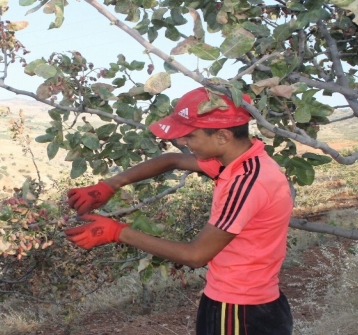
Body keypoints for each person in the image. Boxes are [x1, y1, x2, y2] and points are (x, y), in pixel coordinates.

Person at [64, 87, 294, 334]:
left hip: (241, 309)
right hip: (244, 300)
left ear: (223, 136)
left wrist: (117, 232)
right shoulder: (239, 162)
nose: (182, 142)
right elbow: (171, 160)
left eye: (190, 136)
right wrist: (109, 185)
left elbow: (196, 255)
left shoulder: (247, 182)